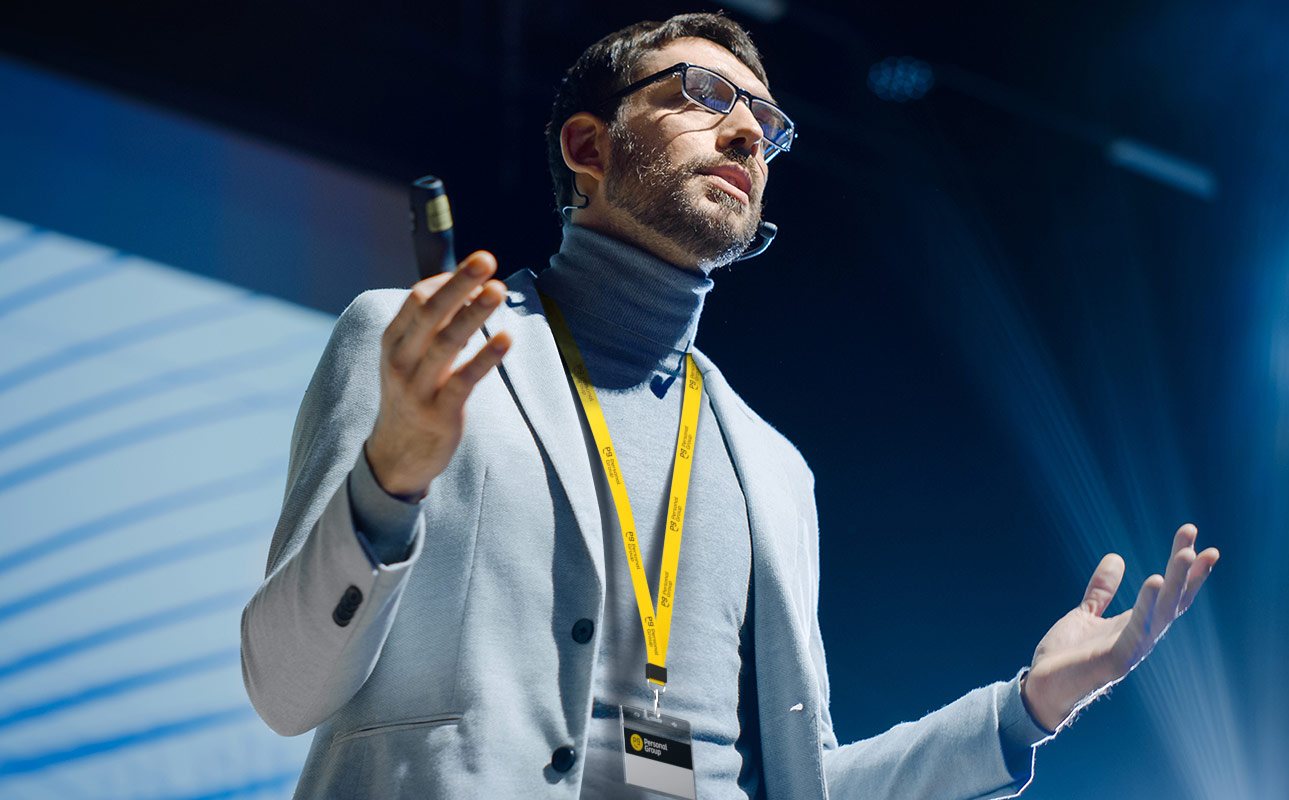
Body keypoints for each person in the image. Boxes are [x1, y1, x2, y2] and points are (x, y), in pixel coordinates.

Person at [240, 13, 1218, 799]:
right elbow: (285, 686)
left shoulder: (774, 468)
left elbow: (807, 784)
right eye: (703, 95)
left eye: (766, 121)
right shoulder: (417, 346)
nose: (749, 131)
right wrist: (390, 478)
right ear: (587, 144)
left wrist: (1025, 706)